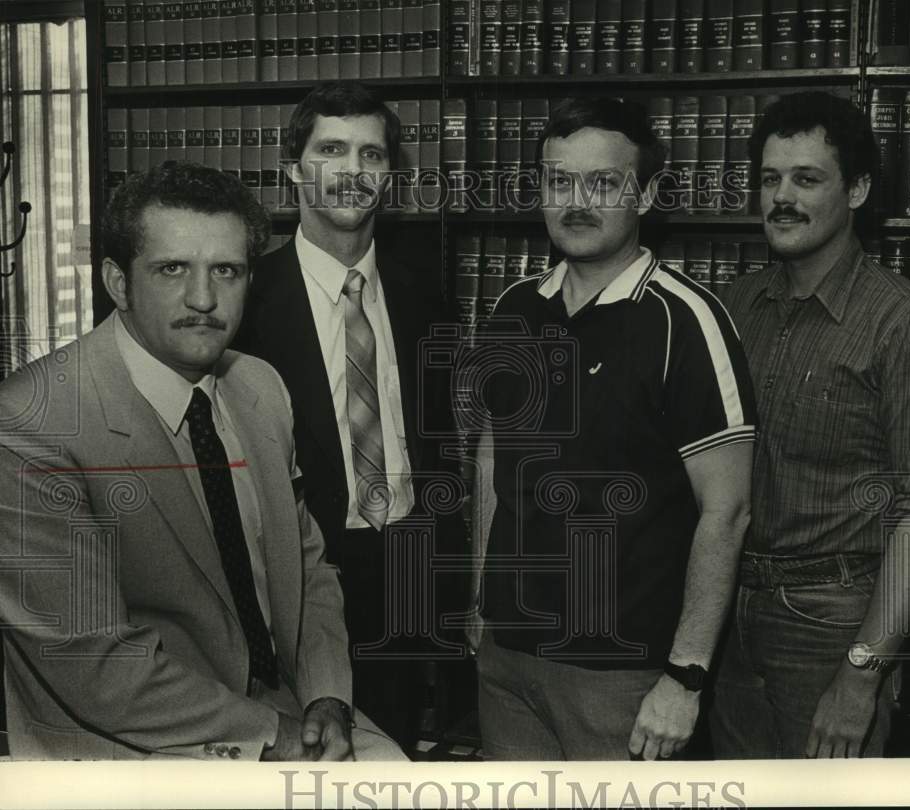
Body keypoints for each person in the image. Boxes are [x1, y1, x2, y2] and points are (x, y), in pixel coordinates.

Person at [0, 161, 404, 760]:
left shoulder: (260, 386)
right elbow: (94, 667)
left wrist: (326, 697)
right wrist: (277, 734)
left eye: (226, 271)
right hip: (126, 744)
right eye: (171, 270)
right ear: (118, 282)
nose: (203, 299)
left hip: (283, 705)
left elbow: (309, 568)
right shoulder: (33, 418)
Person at [466, 97, 756, 760]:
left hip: (625, 677)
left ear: (647, 194)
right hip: (508, 657)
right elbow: (491, 457)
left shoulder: (686, 321)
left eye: (603, 183)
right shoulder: (515, 307)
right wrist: (478, 599)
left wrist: (685, 677)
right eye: (559, 180)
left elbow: (729, 509)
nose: (576, 200)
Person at [712, 92, 910, 758]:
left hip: (832, 623)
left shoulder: (908, 322)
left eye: (806, 178)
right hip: (730, 617)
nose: (782, 197)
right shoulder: (735, 308)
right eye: (770, 179)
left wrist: (862, 674)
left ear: (856, 189)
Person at [234, 81, 463, 751]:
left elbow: (436, 434)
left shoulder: (423, 289)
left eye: (372, 154)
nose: (353, 172)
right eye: (331, 150)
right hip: (298, 578)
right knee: (302, 760)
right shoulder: (247, 300)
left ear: (390, 174)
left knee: (391, 758)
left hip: (406, 569)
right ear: (293, 169)